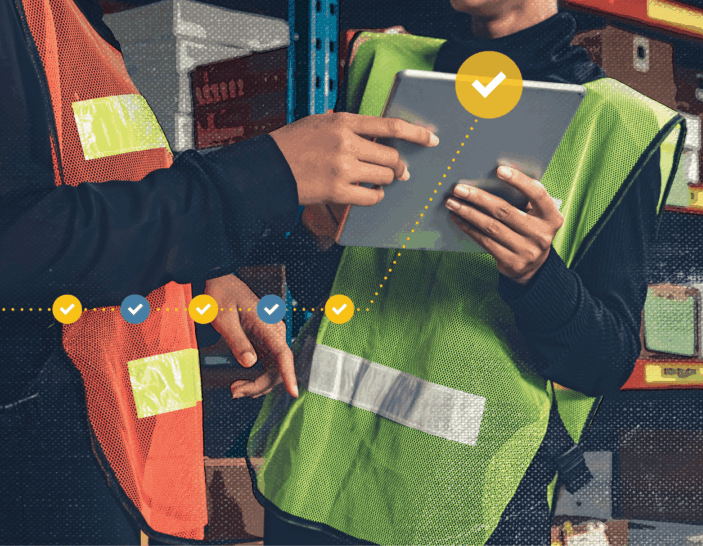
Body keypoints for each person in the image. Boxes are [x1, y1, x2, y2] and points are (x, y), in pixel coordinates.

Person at [240, 0, 686, 544]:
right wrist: (315, 231)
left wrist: (537, 276)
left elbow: (605, 363)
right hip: (318, 471)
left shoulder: (621, 125)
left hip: (467, 506)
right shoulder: (380, 64)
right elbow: (325, 289)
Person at [0, 0, 438, 543]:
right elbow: (17, 244)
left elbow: (93, 194)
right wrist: (260, 179)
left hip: (125, 469)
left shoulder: (73, 22)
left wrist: (203, 276)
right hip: (48, 476)